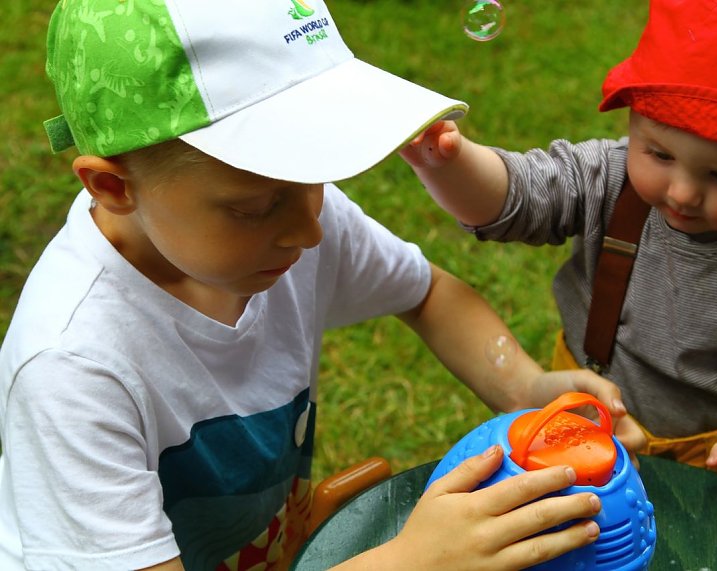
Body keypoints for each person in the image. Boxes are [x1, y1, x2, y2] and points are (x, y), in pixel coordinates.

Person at [0, 1, 632, 569]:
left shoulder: (289, 220)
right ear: (113, 186)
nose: (310, 229)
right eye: (253, 206)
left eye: (313, 176)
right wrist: (413, 562)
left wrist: (524, 386)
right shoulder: (72, 368)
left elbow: (428, 295)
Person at [401, 0, 717, 524]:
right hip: (577, 433)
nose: (682, 192)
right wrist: (451, 164)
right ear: (633, 115)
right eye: (660, 154)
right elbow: (516, 197)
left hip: (711, 472)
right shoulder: (609, 181)